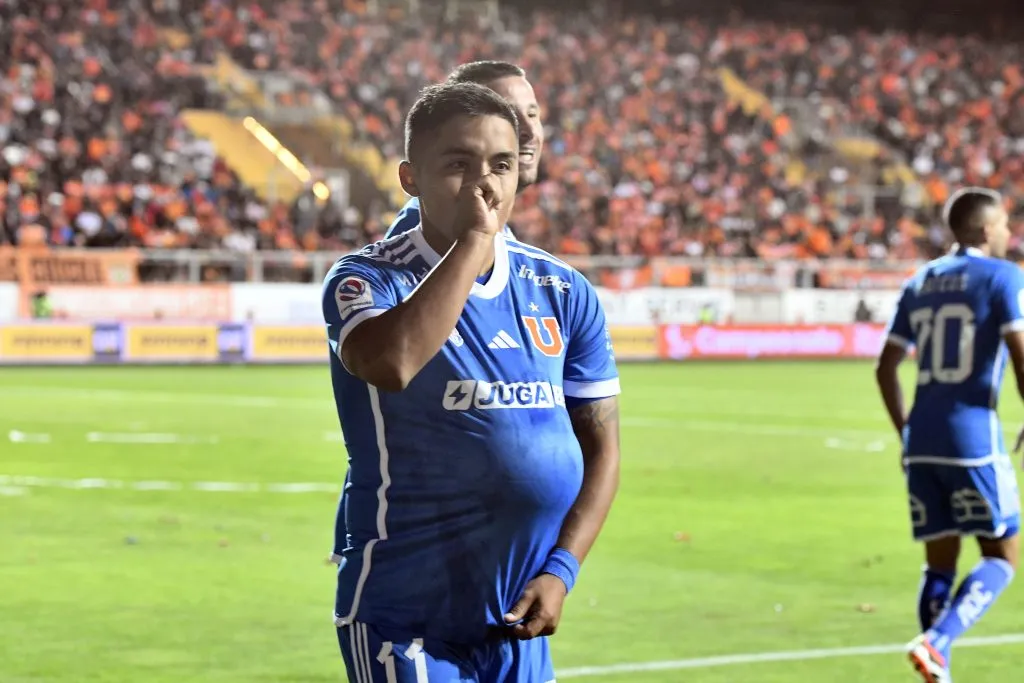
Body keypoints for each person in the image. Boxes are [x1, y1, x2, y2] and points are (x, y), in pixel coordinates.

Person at [322, 82, 621, 683]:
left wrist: (562, 570)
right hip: (405, 622)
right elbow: (393, 362)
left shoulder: (563, 291)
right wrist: (475, 242)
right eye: (458, 164)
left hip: (516, 622)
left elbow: (603, 451)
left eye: (501, 165)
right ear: (411, 178)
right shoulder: (367, 279)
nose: (485, 183)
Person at [875, 187, 1024, 683]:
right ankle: (937, 642)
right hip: (973, 440)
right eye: (1004, 224)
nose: (1009, 233)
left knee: (939, 562)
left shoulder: (920, 282)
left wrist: (906, 433)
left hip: (922, 444)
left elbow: (886, 367)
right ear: (986, 230)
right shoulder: (1003, 276)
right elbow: (1019, 353)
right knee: (1002, 555)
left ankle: (937, 671)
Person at [384, 60, 544, 239]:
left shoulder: (491, 222)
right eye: (509, 117)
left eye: (532, 114)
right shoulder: (429, 225)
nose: (530, 132)